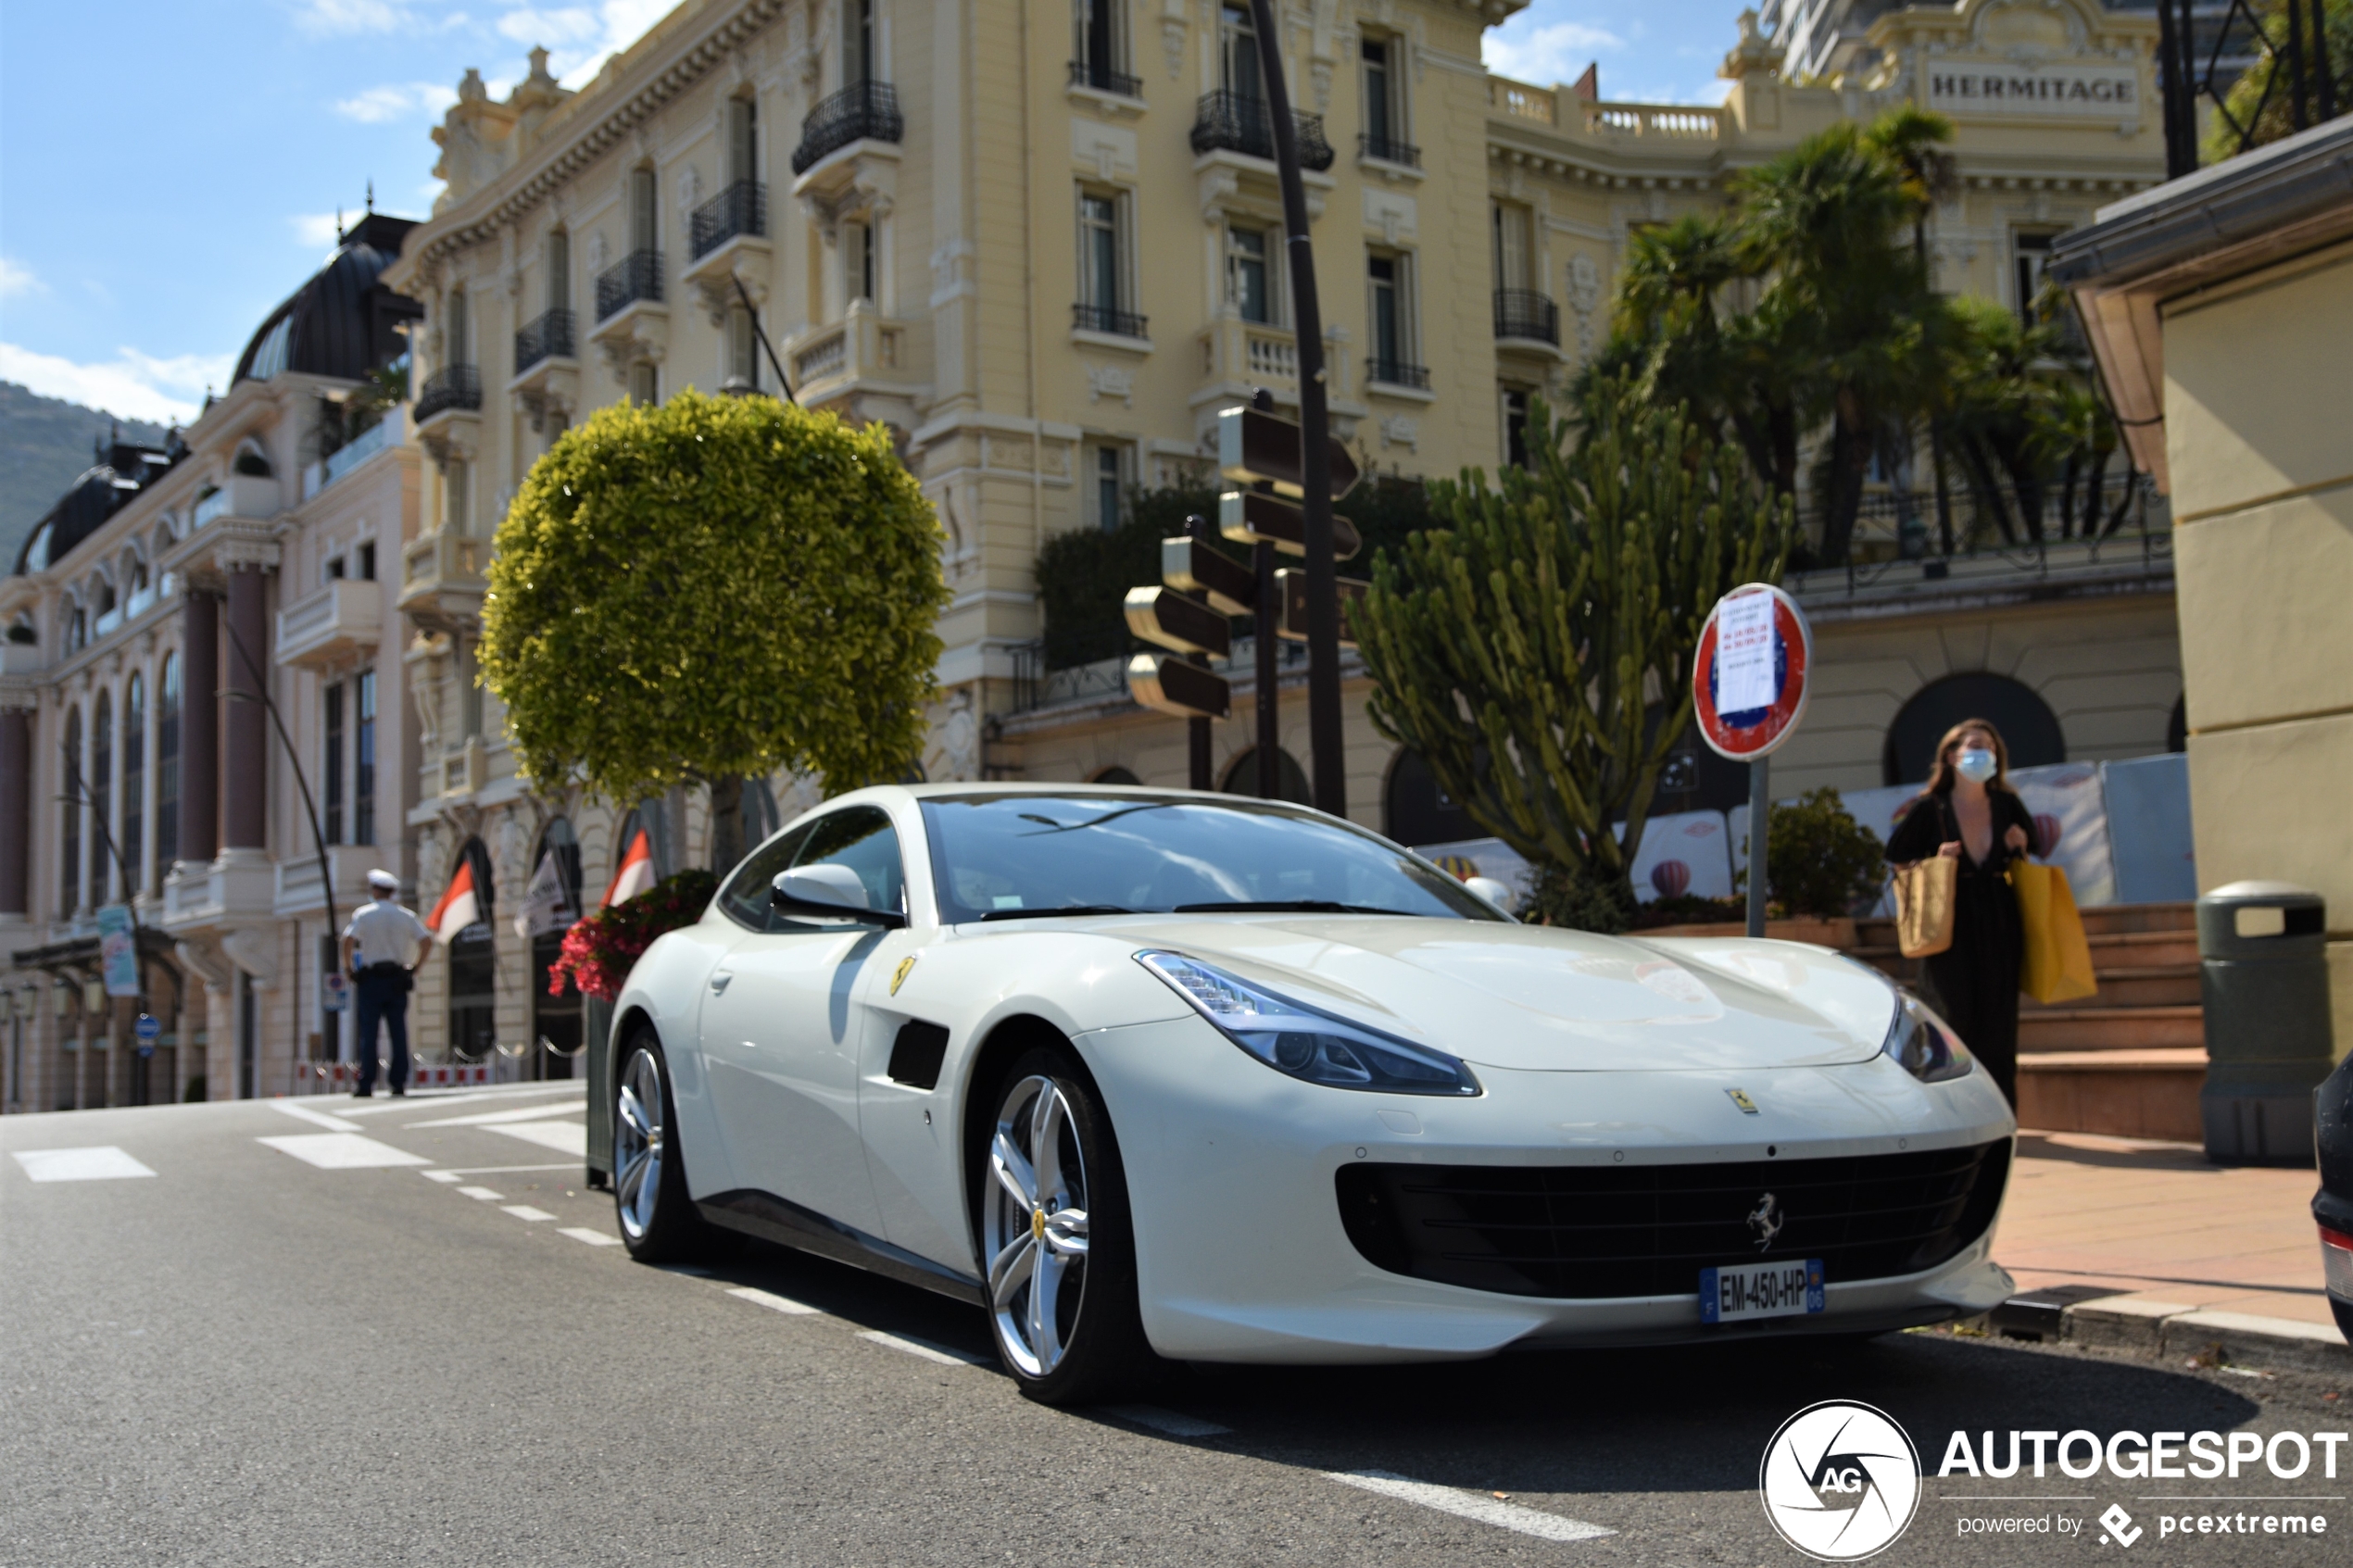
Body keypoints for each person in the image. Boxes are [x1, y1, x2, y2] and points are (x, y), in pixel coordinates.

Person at [1883, 719, 2039, 1108]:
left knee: (1999, 1021)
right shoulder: (1929, 808)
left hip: (1999, 917)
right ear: (1952, 757)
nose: (1982, 753)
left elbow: (2032, 851)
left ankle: (2001, 1110)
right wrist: (1936, 863)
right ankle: (1954, 1108)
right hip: (1949, 921)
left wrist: (2019, 846)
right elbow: (1898, 861)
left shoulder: (2007, 804)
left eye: (1989, 747)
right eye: (1974, 745)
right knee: (1953, 1014)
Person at [341, 870, 434, 1098]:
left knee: (369, 1033)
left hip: (372, 979)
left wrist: (348, 967)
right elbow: (426, 940)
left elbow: (347, 939)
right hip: (397, 978)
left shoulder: (364, 914)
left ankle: (366, 1083)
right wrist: (415, 967)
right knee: (398, 1032)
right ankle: (398, 1082)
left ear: (375, 890)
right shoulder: (406, 915)